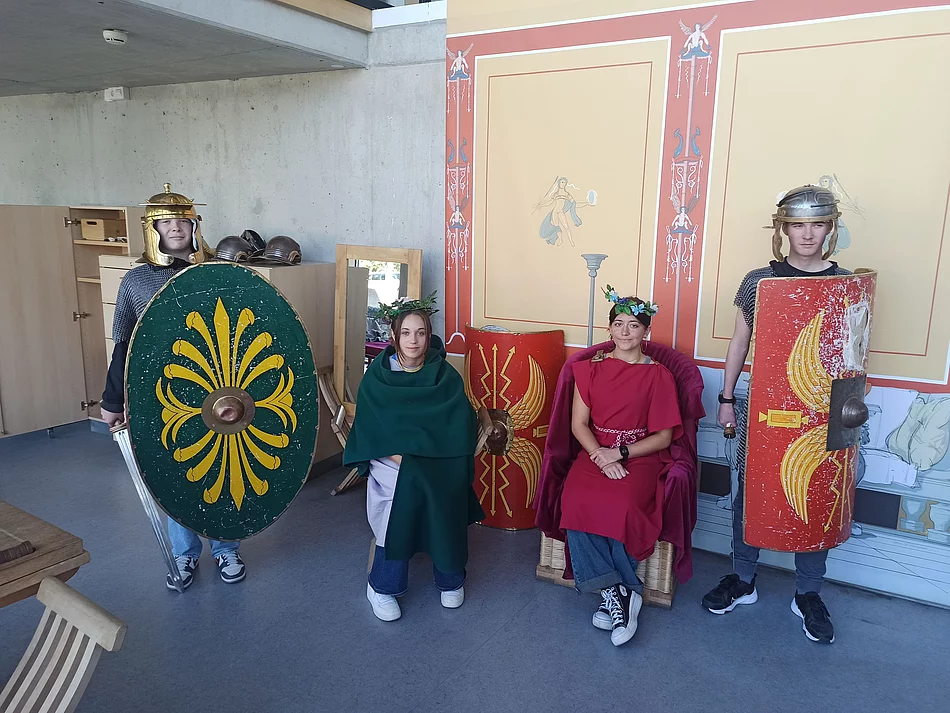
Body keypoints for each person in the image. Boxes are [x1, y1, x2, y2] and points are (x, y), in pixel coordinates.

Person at [701, 184, 851, 644]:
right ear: (783, 229)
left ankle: (808, 594)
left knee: (818, 496)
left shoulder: (845, 283)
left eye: (817, 224)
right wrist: (727, 398)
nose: (807, 234)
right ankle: (743, 580)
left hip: (823, 412)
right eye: (798, 225)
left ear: (830, 228)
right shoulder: (758, 281)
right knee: (750, 494)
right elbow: (740, 342)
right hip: (766, 410)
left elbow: (850, 351)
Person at [99, 183, 245, 592]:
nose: (176, 228)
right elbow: (125, 345)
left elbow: (244, 329)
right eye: (166, 222)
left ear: (195, 225)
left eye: (183, 220)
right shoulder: (136, 281)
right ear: (153, 229)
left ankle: (226, 548)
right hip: (163, 393)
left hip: (220, 387)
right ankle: (185, 553)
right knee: (176, 474)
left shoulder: (219, 272)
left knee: (222, 468)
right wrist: (113, 399)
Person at [343, 293, 483, 622]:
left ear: (428, 335)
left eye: (420, 332)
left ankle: (450, 577)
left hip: (440, 457)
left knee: (443, 489)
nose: (413, 340)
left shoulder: (444, 375)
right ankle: (382, 586)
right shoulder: (377, 378)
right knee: (408, 490)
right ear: (394, 335)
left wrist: (435, 458)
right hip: (390, 459)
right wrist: (406, 460)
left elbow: (459, 422)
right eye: (405, 332)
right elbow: (372, 429)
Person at [555, 288, 682, 647]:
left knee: (622, 504)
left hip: (639, 455)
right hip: (595, 452)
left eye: (634, 325)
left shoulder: (659, 375)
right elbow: (578, 425)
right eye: (619, 324)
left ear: (646, 331)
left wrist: (620, 453)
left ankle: (613, 594)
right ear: (609, 328)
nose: (625, 331)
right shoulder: (589, 370)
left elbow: (664, 436)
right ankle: (619, 592)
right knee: (576, 500)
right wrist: (600, 454)